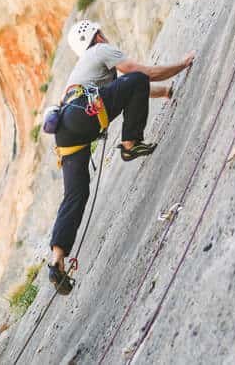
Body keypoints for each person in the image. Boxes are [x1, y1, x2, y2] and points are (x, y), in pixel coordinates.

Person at [44, 19, 194, 293]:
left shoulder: (82, 69)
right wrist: (182, 65)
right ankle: (130, 144)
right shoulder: (100, 51)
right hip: (84, 114)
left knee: (76, 195)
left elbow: (128, 92)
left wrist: (167, 92)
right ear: (96, 36)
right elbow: (142, 75)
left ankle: (57, 260)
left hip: (67, 132)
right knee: (135, 78)